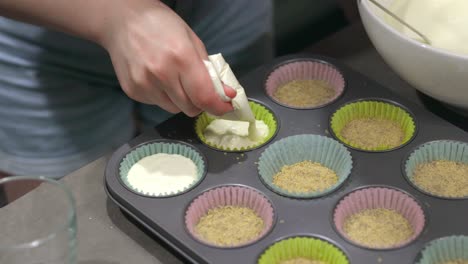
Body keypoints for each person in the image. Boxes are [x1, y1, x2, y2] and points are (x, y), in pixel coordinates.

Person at [0, 0, 274, 178]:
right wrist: (114, 15)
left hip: (216, 12)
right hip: (46, 36)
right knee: (71, 209)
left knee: (223, 171)